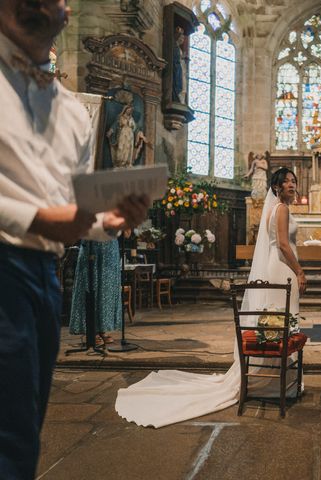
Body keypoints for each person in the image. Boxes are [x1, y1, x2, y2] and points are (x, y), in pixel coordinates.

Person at [0, 1, 150, 477]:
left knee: (22, 431)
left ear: (65, 12)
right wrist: (35, 217)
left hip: (42, 275)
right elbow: (45, 213)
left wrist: (113, 221)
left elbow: (73, 212)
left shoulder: (72, 112)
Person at [115, 168, 307, 427]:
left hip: (276, 267)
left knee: (273, 319)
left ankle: (270, 378)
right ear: (276, 187)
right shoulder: (281, 209)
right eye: (287, 182)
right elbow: (284, 245)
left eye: (294, 181)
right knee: (280, 319)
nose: (292, 185)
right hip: (283, 268)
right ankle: (274, 382)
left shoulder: (275, 209)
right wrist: (299, 271)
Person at [69, 239, 122, 346]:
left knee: (106, 290)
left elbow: (127, 233)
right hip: (92, 245)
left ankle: (102, 329)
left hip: (109, 249)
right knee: (90, 285)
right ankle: (91, 331)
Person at [106, 104, 149, 168]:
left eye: (131, 110)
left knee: (129, 148)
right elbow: (115, 125)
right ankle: (120, 163)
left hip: (130, 136)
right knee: (121, 147)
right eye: (128, 109)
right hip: (123, 134)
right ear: (125, 110)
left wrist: (142, 136)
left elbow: (136, 129)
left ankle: (127, 163)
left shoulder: (131, 119)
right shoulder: (121, 117)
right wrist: (111, 131)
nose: (129, 111)